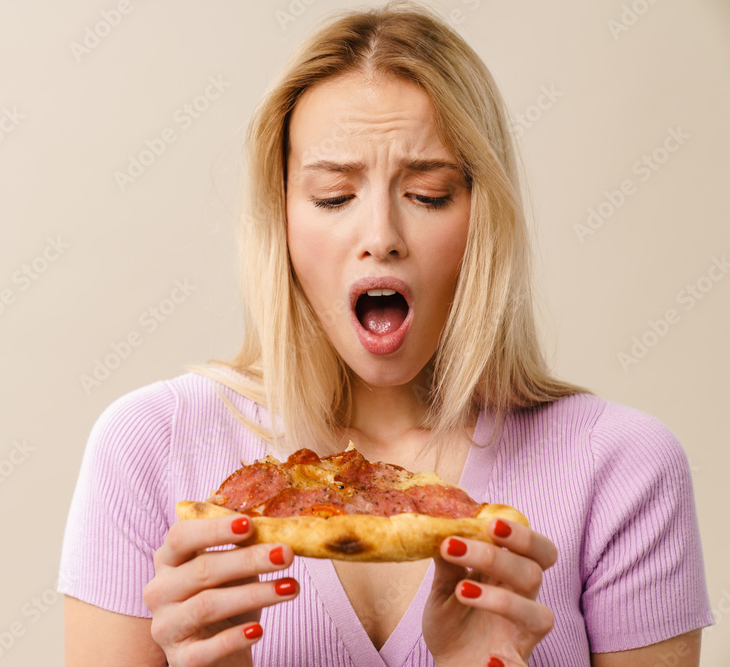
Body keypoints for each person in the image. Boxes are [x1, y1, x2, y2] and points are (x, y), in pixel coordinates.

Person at [59, 2, 712, 665]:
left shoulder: (626, 469)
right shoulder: (146, 447)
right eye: (334, 197)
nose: (381, 238)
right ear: (279, 219)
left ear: (483, 216)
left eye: (427, 194)